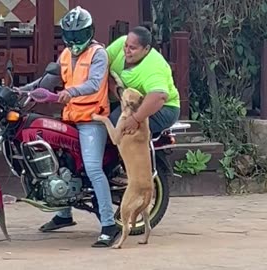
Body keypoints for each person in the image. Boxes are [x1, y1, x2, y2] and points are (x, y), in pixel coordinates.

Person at [17, 6, 119, 248]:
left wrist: (70, 92)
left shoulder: (98, 53)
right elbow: (50, 79)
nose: (75, 41)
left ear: (90, 32)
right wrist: (22, 90)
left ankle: (109, 224)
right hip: (70, 117)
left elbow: (95, 83)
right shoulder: (65, 55)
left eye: (79, 35)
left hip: (92, 120)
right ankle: (64, 214)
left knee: (94, 168)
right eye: (70, 36)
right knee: (58, 163)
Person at [106, 26, 181, 185]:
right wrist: (116, 89)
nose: (126, 50)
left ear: (146, 49)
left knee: (122, 125)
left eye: (132, 48)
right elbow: (101, 63)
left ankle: (126, 170)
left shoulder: (154, 67)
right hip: (131, 102)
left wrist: (136, 119)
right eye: (126, 45)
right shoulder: (120, 45)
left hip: (163, 108)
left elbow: (159, 97)